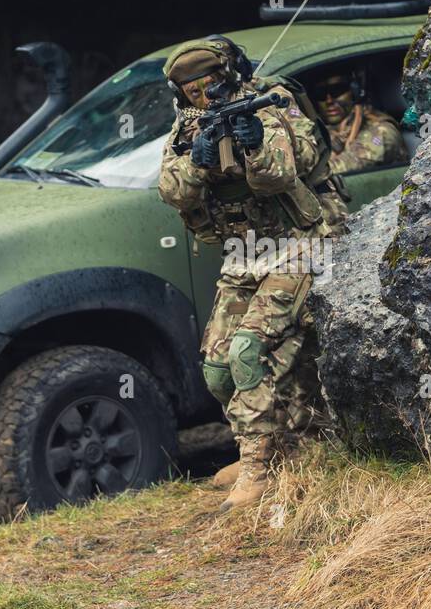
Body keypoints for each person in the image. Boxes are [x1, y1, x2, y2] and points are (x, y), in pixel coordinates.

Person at [158, 36, 342, 511]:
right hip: (244, 253)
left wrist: (255, 146)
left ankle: (259, 469)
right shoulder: (187, 125)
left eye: (210, 85)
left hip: (299, 245)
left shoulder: (271, 105)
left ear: (226, 76)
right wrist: (197, 164)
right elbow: (172, 191)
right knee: (218, 371)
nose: (204, 98)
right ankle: (267, 446)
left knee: (247, 351)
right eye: (193, 92)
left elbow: (283, 174)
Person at [309, 69, 409, 174]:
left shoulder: (381, 129)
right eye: (320, 94)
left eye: (337, 91)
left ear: (353, 92)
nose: (329, 100)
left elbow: (348, 164)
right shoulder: (320, 132)